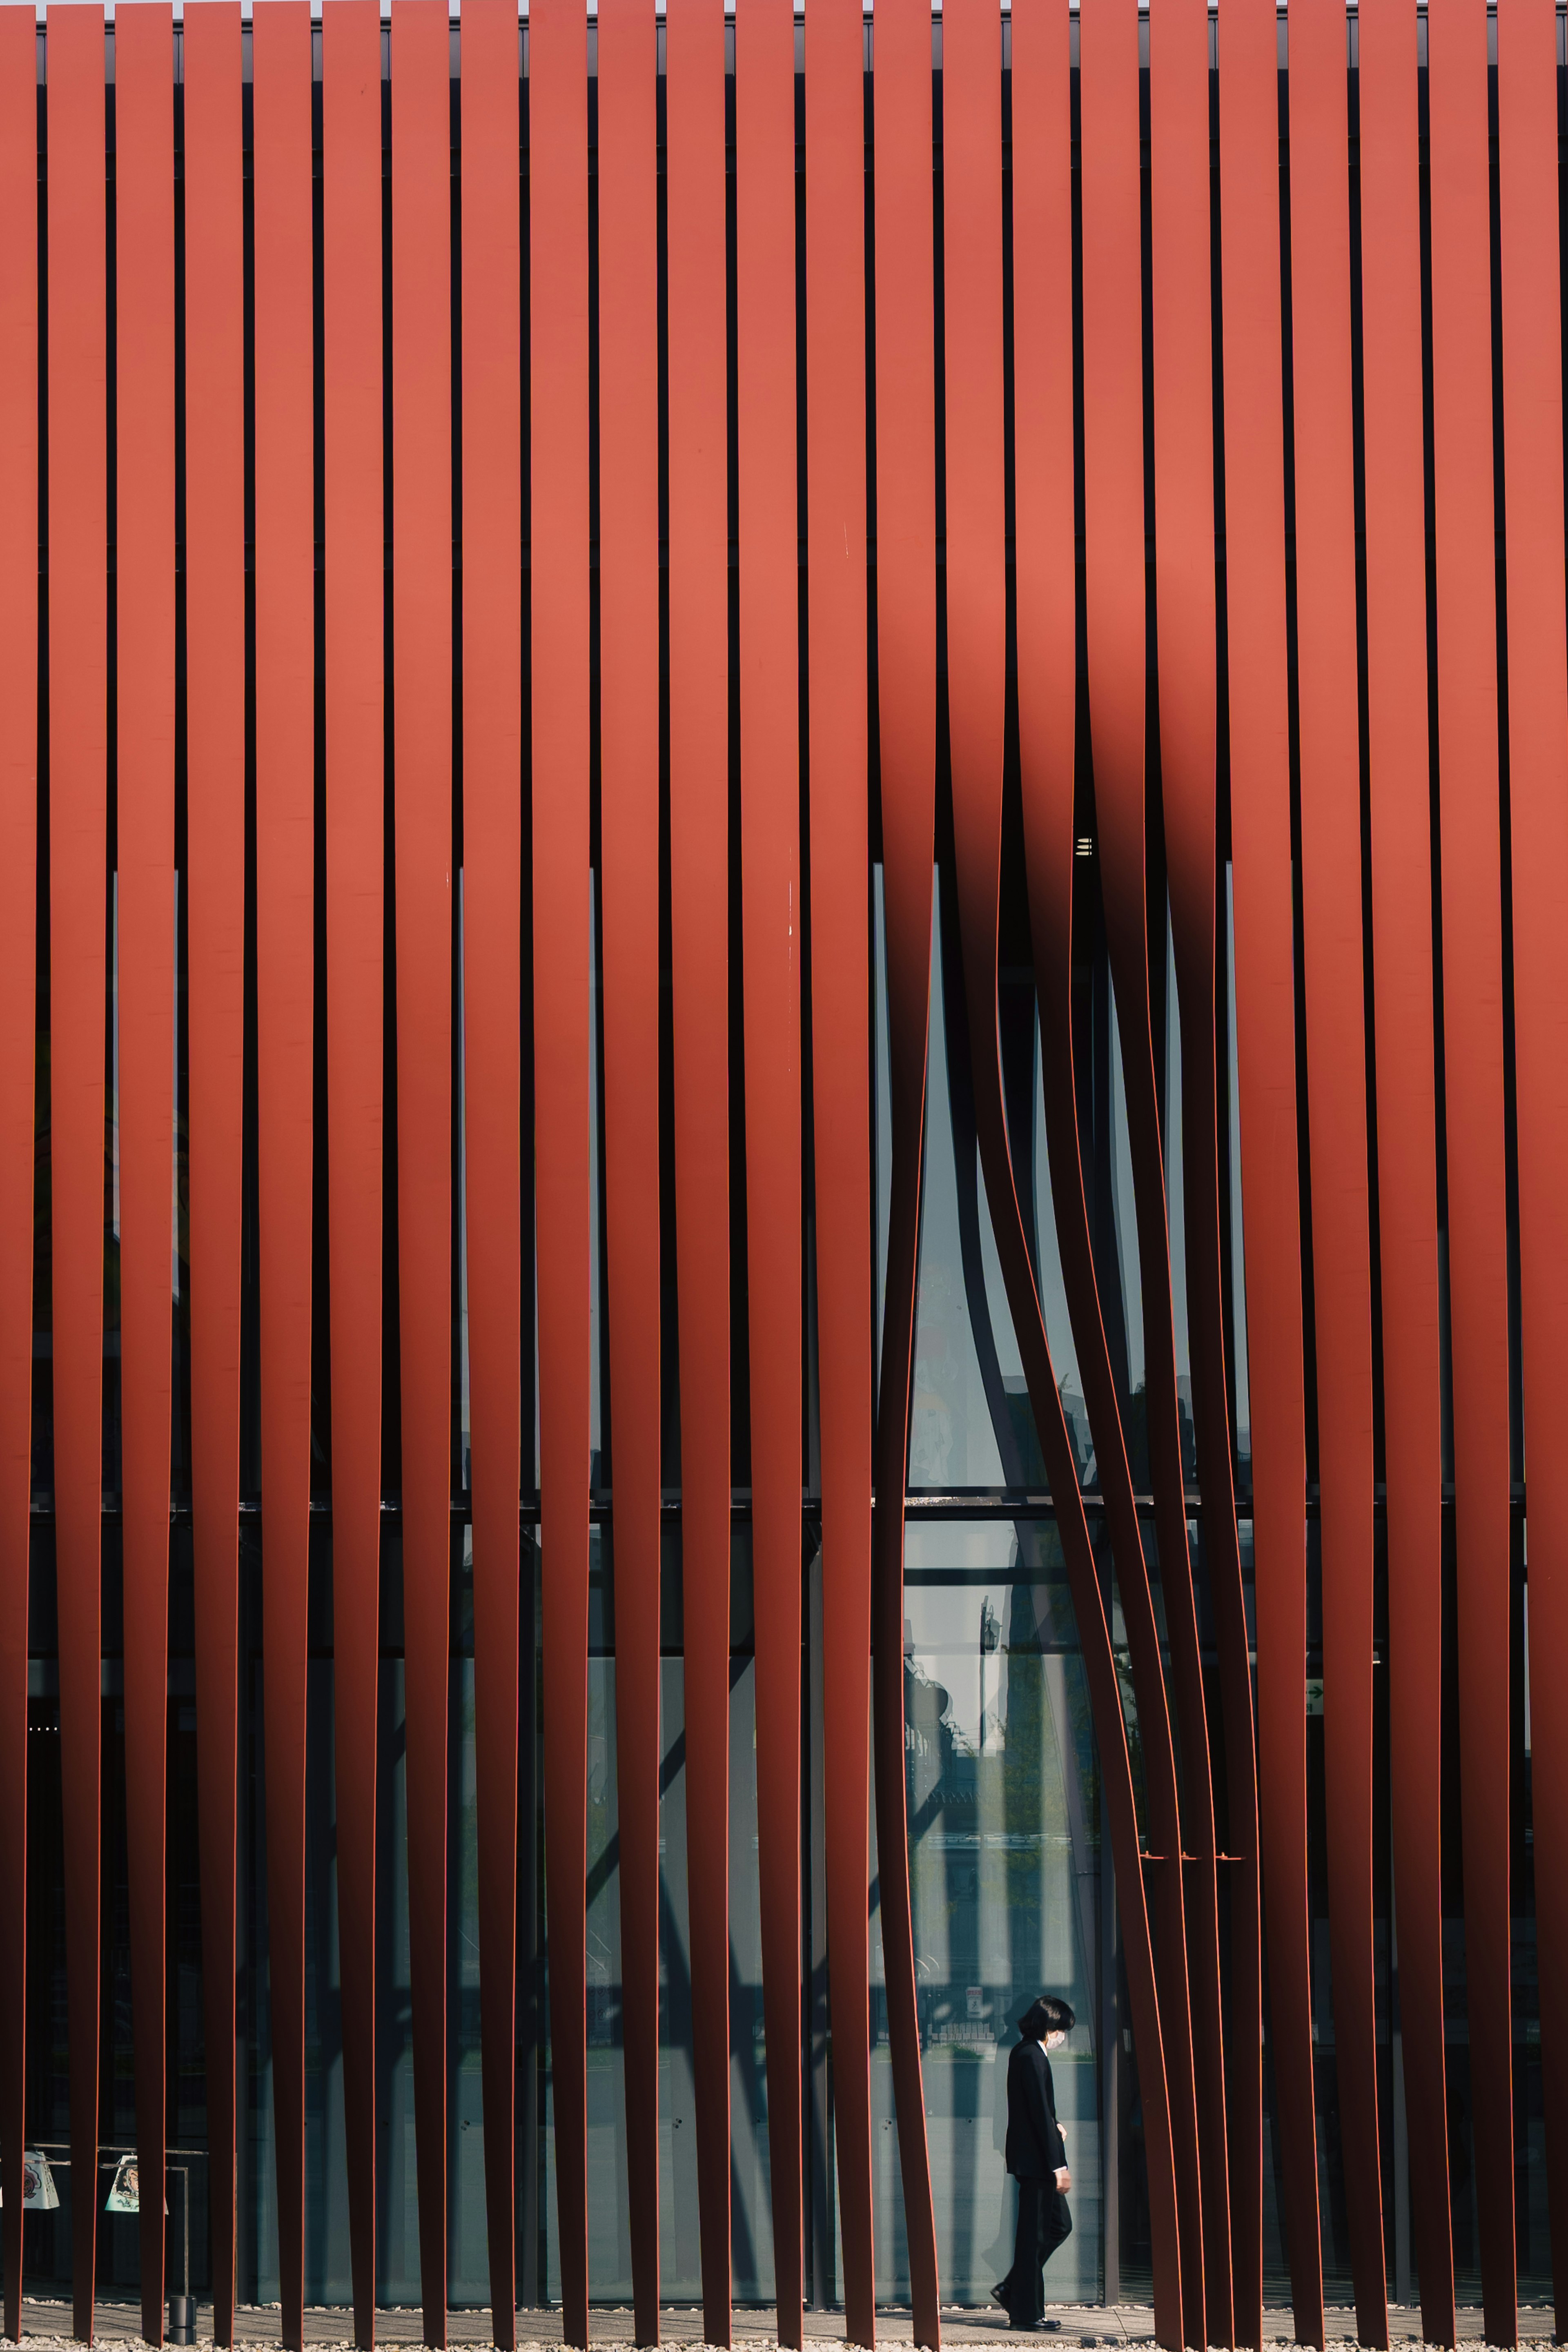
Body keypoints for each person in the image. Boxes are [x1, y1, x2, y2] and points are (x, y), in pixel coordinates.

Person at [993, 1995, 1074, 2332]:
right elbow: (1038, 2113)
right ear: (1049, 2026)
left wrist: (1054, 2126)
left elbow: (1038, 2111)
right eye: (1061, 2029)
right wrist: (1059, 2166)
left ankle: (1013, 2289)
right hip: (1039, 2164)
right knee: (1035, 2237)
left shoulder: (1027, 2053)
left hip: (1035, 2160)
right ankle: (1026, 2314)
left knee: (1055, 2228)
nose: (1063, 2037)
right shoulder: (1031, 2056)